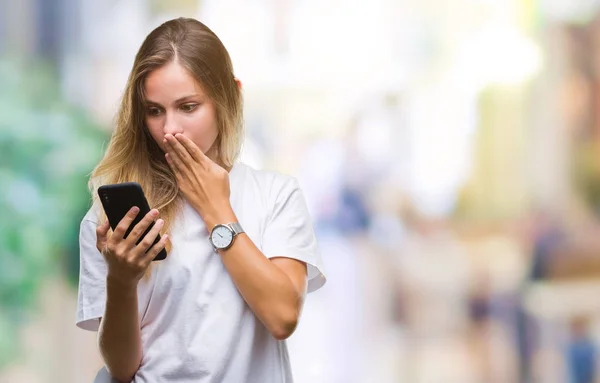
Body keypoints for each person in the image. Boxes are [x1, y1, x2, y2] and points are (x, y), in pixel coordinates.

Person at [76, 17, 326, 383]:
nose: (169, 129)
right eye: (155, 110)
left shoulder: (275, 196)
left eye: (188, 106)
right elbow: (122, 367)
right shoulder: (113, 216)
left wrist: (216, 210)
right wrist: (121, 280)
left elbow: (282, 316)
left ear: (230, 97)